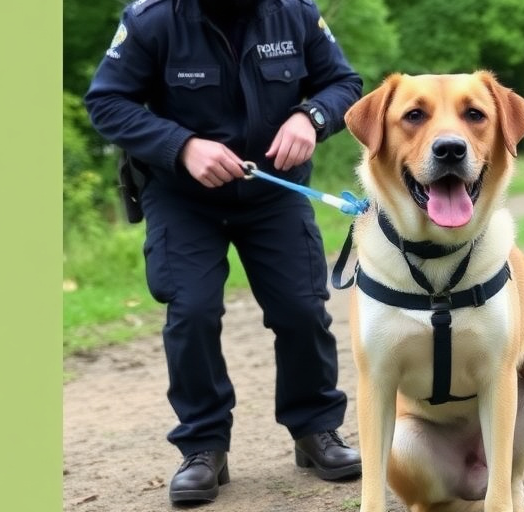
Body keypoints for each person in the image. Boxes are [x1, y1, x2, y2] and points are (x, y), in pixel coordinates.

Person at [83, 0, 363, 504]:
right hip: (182, 197)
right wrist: (182, 145)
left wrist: (311, 116)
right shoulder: (152, 21)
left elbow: (344, 84)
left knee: (301, 310)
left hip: (274, 193)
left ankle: (315, 430)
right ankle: (204, 447)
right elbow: (107, 102)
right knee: (191, 311)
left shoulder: (295, 14)